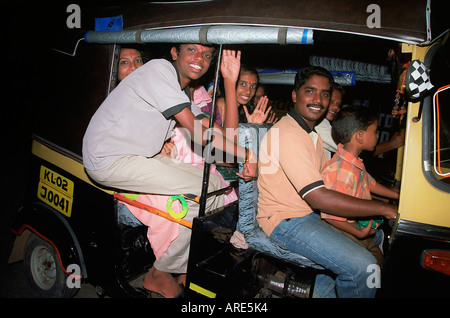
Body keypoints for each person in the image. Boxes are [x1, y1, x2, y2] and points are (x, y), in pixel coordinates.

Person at [83, 44, 256, 298]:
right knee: (204, 192)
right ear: (174, 53)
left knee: (216, 189)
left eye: (207, 55)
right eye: (192, 50)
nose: (200, 58)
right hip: (109, 160)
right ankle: (160, 274)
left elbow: (211, 127)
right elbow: (198, 133)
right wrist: (247, 155)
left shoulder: (182, 90)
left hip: (140, 156)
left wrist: (243, 150)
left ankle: (185, 265)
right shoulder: (159, 70)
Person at [256, 66, 397, 298]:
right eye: (310, 91)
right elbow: (319, 197)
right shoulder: (289, 134)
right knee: (364, 267)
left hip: (306, 216)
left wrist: (381, 200)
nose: (318, 100)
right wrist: (382, 207)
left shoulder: (311, 136)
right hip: (286, 221)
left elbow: (333, 184)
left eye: (324, 94)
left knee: (374, 239)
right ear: (295, 95)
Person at [320, 105, 400, 266]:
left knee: (378, 261)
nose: (377, 135)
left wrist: (399, 195)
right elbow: (330, 215)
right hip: (344, 231)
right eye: (375, 131)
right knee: (374, 265)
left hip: (354, 228)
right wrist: (359, 232)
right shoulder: (341, 170)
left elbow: (371, 184)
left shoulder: (354, 163)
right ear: (360, 136)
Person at [315, 83, 344, 159]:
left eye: (339, 104)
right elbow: (347, 149)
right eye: (331, 101)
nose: (336, 107)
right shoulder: (319, 124)